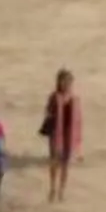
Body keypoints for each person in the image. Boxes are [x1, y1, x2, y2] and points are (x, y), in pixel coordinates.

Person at [39, 68, 81, 202]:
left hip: (68, 133)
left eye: (69, 81)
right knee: (54, 162)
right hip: (56, 134)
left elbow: (78, 120)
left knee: (65, 164)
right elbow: (48, 112)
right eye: (64, 81)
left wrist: (77, 138)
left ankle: (62, 190)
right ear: (59, 82)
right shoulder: (54, 96)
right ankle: (52, 188)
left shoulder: (74, 98)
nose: (67, 84)